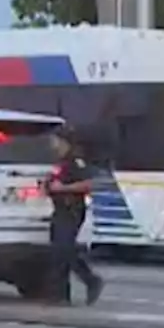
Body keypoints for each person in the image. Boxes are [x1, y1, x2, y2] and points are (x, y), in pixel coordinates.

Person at [45, 127, 105, 305]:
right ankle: (61, 295)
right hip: (59, 210)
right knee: (58, 252)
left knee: (65, 249)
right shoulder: (60, 162)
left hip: (72, 210)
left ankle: (91, 280)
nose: (51, 143)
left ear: (63, 141)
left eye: (54, 139)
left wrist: (63, 189)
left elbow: (88, 184)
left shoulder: (75, 161)